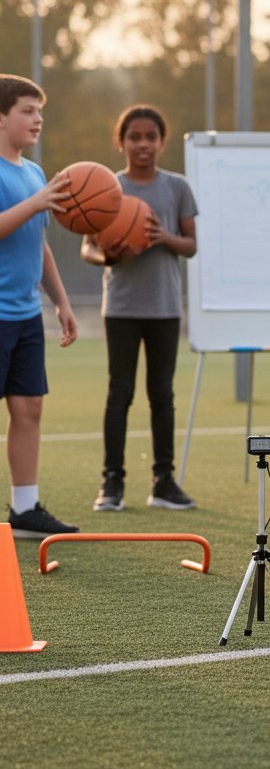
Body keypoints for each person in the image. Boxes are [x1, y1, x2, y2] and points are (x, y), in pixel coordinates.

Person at [82, 106, 197, 512]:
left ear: (162, 142)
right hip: (122, 306)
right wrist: (110, 255)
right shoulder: (105, 187)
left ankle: (163, 482)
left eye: (150, 136)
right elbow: (88, 248)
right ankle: (112, 483)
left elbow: (191, 245)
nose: (142, 144)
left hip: (164, 306)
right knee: (120, 394)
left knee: (161, 394)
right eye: (134, 136)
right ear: (122, 142)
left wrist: (162, 235)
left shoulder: (177, 187)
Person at [0, 74, 80, 538]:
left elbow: (40, 245)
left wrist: (61, 302)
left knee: (29, 407)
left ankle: (25, 510)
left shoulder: (32, 173)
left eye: (39, 110)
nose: (38, 119)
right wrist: (35, 203)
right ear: (1, 117)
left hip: (26, 314)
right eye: (27, 110)